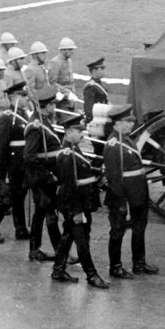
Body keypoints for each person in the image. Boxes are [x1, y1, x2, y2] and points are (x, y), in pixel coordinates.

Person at [51, 115, 108, 289]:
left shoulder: (74, 149)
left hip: (80, 203)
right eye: (79, 131)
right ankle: (91, 275)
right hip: (75, 205)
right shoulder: (67, 155)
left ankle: (58, 270)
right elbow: (69, 186)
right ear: (68, 133)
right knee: (82, 240)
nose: (82, 134)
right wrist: (76, 211)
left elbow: (83, 173)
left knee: (68, 235)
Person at [104, 104, 158, 278]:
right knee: (118, 231)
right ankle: (115, 267)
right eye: (127, 122)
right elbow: (114, 178)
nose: (131, 125)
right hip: (122, 197)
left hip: (137, 195)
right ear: (117, 123)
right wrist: (122, 202)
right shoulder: (113, 145)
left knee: (139, 228)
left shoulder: (125, 139)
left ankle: (139, 263)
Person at [0, 81, 32, 243]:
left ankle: (20, 228)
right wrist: (0, 171)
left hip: (23, 162)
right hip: (13, 163)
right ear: (14, 97)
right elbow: (1, 146)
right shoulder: (7, 118)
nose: (26, 99)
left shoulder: (24, 115)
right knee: (13, 197)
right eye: (23, 96)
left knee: (21, 195)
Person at [24, 86, 63, 262]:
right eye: (52, 105)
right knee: (50, 215)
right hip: (41, 178)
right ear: (47, 106)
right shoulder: (36, 126)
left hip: (45, 177)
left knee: (41, 214)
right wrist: (48, 175)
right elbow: (30, 157)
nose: (54, 108)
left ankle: (34, 250)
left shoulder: (43, 121)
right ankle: (61, 251)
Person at [48, 37, 78, 115]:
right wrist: (67, 93)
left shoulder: (69, 61)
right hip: (61, 102)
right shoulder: (55, 62)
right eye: (70, 50)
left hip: (71, 100)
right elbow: (52, 83)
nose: (72, 52)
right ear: (63, 50)